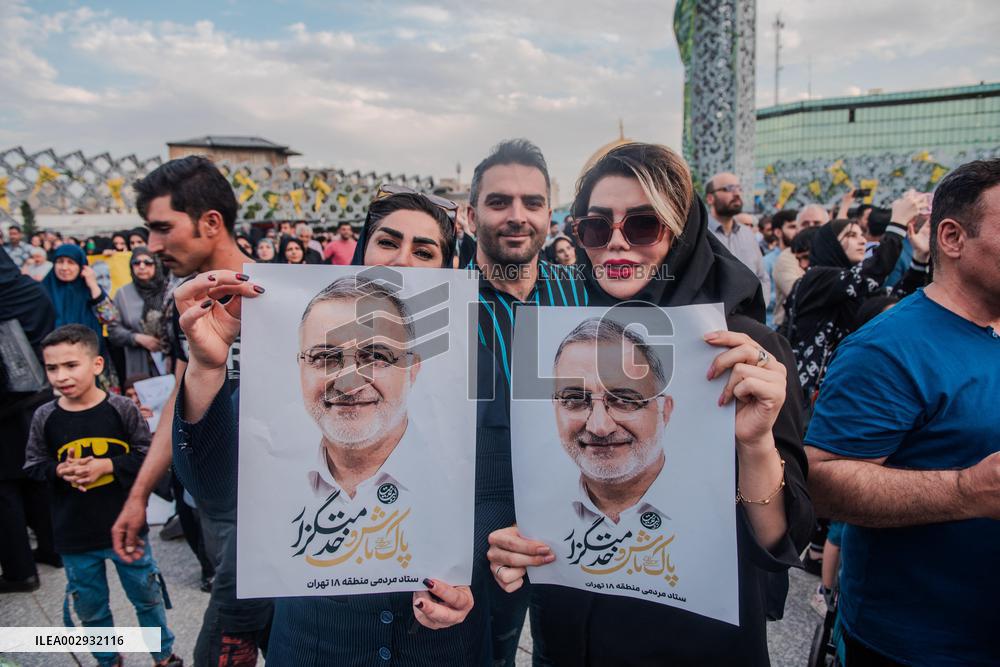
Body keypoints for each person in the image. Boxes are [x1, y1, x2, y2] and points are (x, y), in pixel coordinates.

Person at [488, 142, 811, 665]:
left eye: (642, 225)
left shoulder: (746, 349)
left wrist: (754, 444)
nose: (616, 244)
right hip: (570, 638)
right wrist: (512, 541)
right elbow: (532, 478)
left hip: (696, 644)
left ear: (680, 231)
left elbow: (780, 540)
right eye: (596, 227)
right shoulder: (557, 339)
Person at [170, 188, 492, 665]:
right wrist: (204, 366)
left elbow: (496, 495)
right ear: (361, 251)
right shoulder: (277, 388)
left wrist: (470, 577)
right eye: (387, 242)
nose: (401, 261)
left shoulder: (477, 370)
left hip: (440, 646)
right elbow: (213, 492)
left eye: (424, 251)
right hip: (315, 643)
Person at [804, 159, 1000, 666]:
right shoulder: (889, 348)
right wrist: (965, 491)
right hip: (919, 646)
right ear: (952, 238)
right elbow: (820, 481)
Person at [111, 155, 272, 667]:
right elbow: (176, 410)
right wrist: (139, 497)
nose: (152, 245)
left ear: (210, 222)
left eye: (162, 228)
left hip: (281, 507)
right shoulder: (190, 304)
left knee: (226, 637)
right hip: (218, 503)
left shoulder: (285, 293)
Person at [465, 139, 584, 664]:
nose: (518, 216)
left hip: (575, 512)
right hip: (480, 525)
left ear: (549, 214)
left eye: (532, 203)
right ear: (470, 216)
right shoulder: (440, 305)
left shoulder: (582, 294)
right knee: (488, 647)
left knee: (568, 646)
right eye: (499, 202)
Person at [23, 324, 182, 667]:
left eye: (70, 365)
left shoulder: (121, 409)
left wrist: (106, 466)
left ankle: (162, 654)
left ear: (96, 365)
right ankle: (108, 658)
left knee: (146, 596)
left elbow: (147, 456)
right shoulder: (44, 417)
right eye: (52, 368)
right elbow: (33, 465)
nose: (61, 375)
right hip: (73, 534)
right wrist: (58, 471)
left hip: (126, 528)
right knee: (91, 606)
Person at [783, 193, 931, 406]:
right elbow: (874, 271)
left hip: (845, 386)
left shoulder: (851, 287)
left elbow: (893, 302)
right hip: (811, 397)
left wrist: (919, 259)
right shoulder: (816, 278)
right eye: (851, 235)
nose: (862, 240)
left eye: (862, 234)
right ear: (831, 244)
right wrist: (897, 224)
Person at [550, 318, 674, 524]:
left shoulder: (720, 500)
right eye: (575, 400)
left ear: (664, 411)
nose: (600, 427)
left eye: (624, 400)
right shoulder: (536, 517)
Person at [0, 247, 59, 594]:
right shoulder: (30, 291)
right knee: (36, 474)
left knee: (4, 488)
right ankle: (53, 548)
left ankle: (20, 571)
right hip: (38, 396)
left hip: (5, 408)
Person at [41, 244, 118, 384]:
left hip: (90, 358)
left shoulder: (90, 289)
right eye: (60, 262)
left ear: (82, 266)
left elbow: (110, 317)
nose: (64, 267)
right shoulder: (44, 290)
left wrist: (93, 284)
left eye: (71, 262)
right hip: (56, 365)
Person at [705, 173, 770, 306]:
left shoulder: (748, 234)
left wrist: (759, 306)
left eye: (739, 188)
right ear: (710, 198)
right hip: (714, 320)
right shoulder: (699, 234)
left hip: (750, 318)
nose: (737, 194)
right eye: (728, 189)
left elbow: (762, 277)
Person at [107, 247, 168, 380]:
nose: (141, 266)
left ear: (156, 264)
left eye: (147, 262)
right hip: (138, 363)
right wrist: (137, 338)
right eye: (136, 262)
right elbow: (113, 330)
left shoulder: (169, 290)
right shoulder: (122, 294)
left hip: (169, 360)